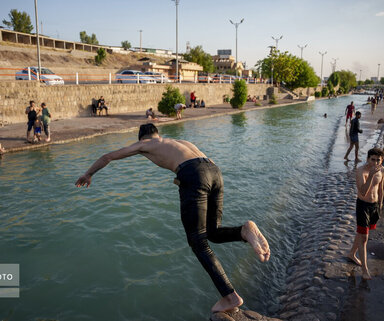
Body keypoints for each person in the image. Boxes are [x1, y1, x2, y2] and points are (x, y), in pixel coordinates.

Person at [75, 124, 271, 313]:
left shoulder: (144, 144)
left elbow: (108, 156)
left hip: (193, 174)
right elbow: (198, 166)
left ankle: (230, 296)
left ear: (142, 137)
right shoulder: (179, 142)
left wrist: (88, 173)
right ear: (158, 133)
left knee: (198, 241)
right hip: (214, 171)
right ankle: (243, 231)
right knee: (213, 232)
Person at [347, 148, 384, 280]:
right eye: (372, 159)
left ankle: (352, 254)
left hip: (374, 206)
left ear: (381, 161)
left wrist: (380, 205)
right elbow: (363, 191)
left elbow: (381, 189)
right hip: (363, 205)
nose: (375, 163)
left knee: (362, 232)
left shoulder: (382, 170)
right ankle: (364, 270)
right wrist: (370, 176)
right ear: (368, 159)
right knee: (364, 237)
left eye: (378, 160)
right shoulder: (360, 171)